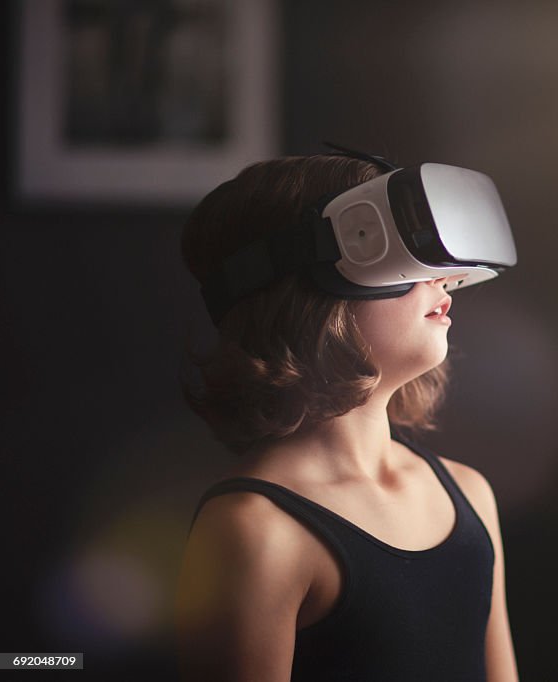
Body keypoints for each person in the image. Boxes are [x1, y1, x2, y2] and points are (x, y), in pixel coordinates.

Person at [174, 153, 519, 681]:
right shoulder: (254, 530)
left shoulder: (470, 493)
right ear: (306, 286)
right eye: (398, 246)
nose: (446, 278)